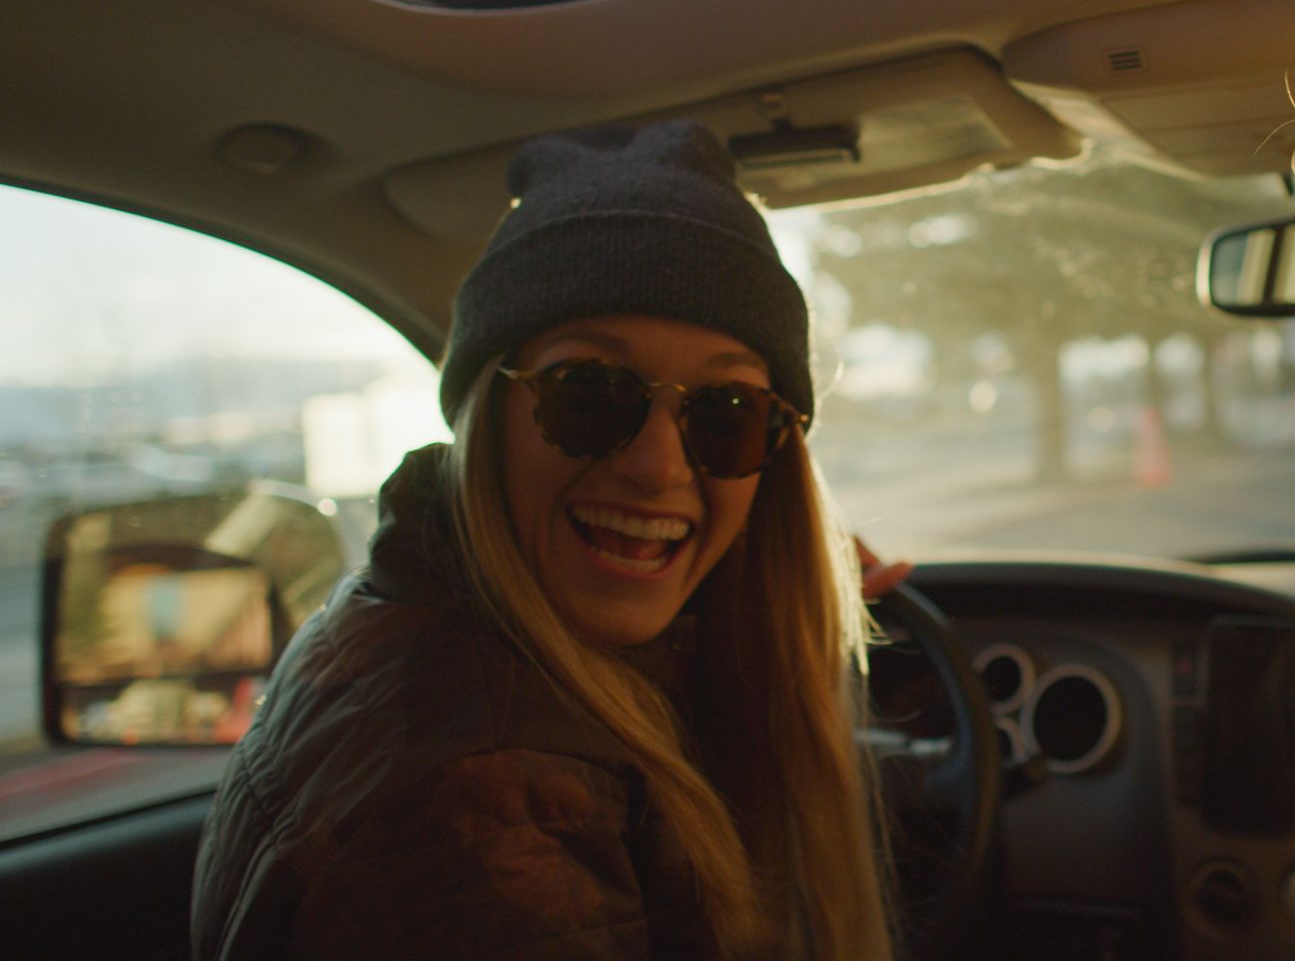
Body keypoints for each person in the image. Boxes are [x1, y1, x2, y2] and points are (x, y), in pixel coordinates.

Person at [192, 120, 899, 960]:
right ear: (486, 416)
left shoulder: (403, 613)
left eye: (729, 414)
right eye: (589, 391)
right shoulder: (489, 806)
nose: (656, 466)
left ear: (772, 455)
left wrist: (795, 621)